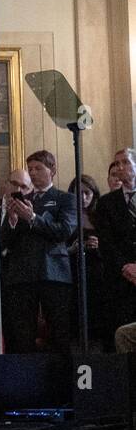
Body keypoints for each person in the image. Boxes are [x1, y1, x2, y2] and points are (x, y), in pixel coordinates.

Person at [0, 152, 76, 354]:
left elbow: (64, 231)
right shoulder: (22, 199)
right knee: (22, 333)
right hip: (23, 274)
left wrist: (33, 217)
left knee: (59, 330)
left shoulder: (65, 199)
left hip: (54, 273)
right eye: (30, 168)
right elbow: (4, 241)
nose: (33, 173)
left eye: (38, 168)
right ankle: (26, 381)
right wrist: (13, 220)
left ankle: (62, 381)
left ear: (52, 171)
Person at [94, 149, 136, 351]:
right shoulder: (106, 203)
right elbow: (107, 242)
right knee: (120, 334)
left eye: (125, 162)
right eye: (116, 163)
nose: (120, 167)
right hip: (120, 280)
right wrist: (126, 267)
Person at [67, 174, 108, 349]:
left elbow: (112, 247)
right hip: (73, 273)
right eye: (78, 193)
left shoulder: (100, 217)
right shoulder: (67, 215)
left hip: (97, 274)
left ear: (94, 195)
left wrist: (100, 245)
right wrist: (73, 249)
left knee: (97, 317)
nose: (83, 198)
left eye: (87, 193)